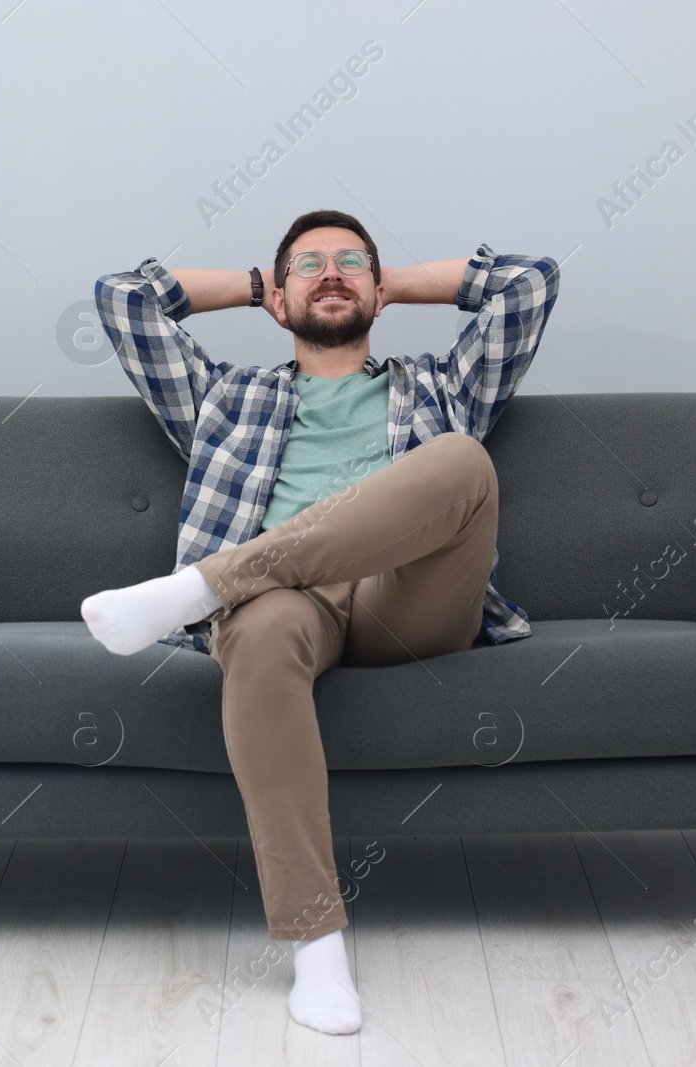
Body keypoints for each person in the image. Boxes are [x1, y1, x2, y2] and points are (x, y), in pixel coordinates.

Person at [85, 209, 560, 1035]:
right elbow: (123, 298)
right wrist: (252, 288)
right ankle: (316, 946)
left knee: (459, 460)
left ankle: (203, 585)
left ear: (378, 291)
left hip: (405, 601)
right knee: (261, 628)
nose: (331, 273)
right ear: (278, 297)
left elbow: (531, 284)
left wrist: (391, 284)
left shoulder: (440, 386)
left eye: (351, 264)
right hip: (289, 610)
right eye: (309, 266)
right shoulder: (224, 397)